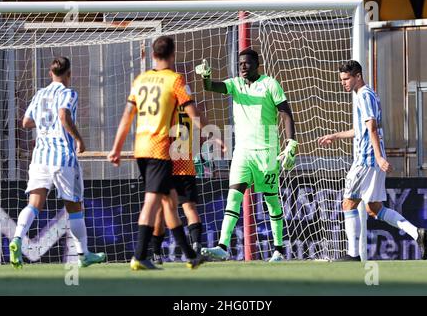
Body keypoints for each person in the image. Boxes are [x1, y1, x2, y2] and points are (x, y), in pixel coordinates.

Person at [108, 36, 222, 270]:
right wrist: (213, 133)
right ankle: (140, 255)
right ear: (172, 55)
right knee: (152, 202)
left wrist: (117, 148)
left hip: (141, 148)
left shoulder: (140, 79)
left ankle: (191, 255)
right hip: (159, 148)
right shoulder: (175, 79)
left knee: (169, 202)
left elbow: (126, 117)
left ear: (152, 55)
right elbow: (192, 112)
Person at [318, 60, 427, 261]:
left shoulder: (364, 95)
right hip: (373, 160)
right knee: (373, 209)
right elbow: (361, 130)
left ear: (358, 76)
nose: (343, 83)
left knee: (348, 204)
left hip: (366, 159)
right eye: (341, 79)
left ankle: (353, 255)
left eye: (346, 79)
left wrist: (378, 157)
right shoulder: (367, 94)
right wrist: (335, 136)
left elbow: (372, 128)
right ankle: (416, 233)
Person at [195, 48, 297, 262]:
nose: (242, 66)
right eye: (240, 63)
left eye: (246, 63)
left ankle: (278, 249)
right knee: (233, 197)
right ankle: (223, 246)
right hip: (242, 151)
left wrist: (290, 143)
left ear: (256, 64)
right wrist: (205, 77)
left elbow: (286, 113)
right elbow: (212, 86)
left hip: (267, 151)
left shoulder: (270, 84)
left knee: (271, 202)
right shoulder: (236, 84)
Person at [10, 57, 106, 269]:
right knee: (75, 208)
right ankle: (83, 254)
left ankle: (17, 239)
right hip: (62, 158)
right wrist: (79, 139)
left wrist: (46, 120)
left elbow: (26, 122)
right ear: (69, 74)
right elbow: (63, 115)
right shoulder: (68, 93)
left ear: (50, 73)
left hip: (40, 158)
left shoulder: (39, 94)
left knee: (34, 204)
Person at [151, 104, 203, 265]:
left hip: (166, 165)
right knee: (190, 208)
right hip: (186, 165)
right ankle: (196, 247)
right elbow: (199, 136)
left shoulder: (165, 109)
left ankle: (156, 253)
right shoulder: (189, 110)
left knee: (160, 211)